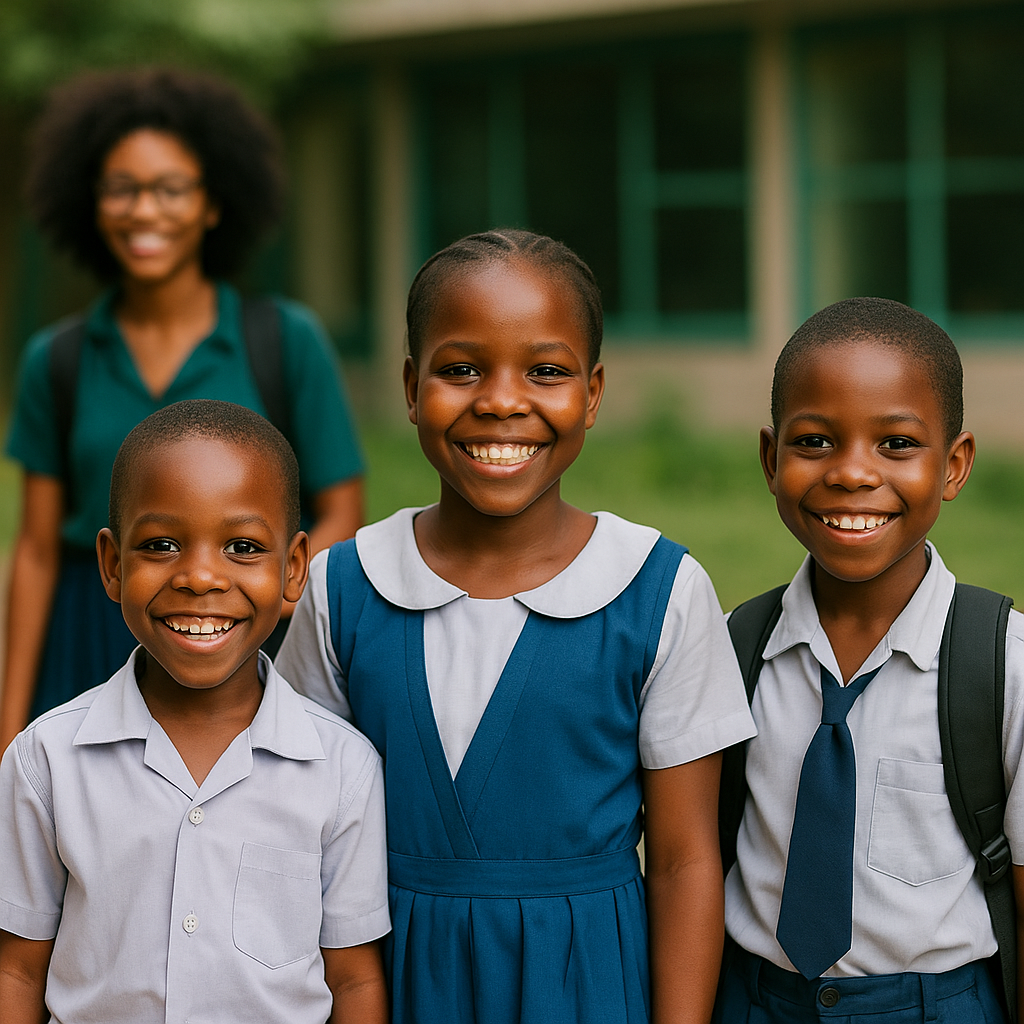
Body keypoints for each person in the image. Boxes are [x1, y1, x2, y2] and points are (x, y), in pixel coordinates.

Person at [276, 228, 757, 1024]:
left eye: (545, 371)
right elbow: (302, 838)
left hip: (591, 985)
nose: (501, 399)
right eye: (461, 369)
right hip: (389, 982)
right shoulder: (343, 586)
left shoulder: (658, 589)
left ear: (593, 393)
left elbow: (682, 862)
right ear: (410, 385)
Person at [1, 67, 365, 753]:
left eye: (170, 189)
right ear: (92, 201)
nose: (145, 211)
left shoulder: (284, 341)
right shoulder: (58, 358)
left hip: (235, 633)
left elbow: (340, 510)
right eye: (122, 189)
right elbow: (37, 549)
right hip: (91, 627)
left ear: (213, 204)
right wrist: (8, 720)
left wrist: (255, 601)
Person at [0, 399, 389, 1024]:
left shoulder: (343, 770)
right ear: (110, 563)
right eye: (160, 545)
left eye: (241, 546)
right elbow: (17, 967)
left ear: (294, 569)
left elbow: (354, 980)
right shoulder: (45, 762)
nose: (200, 577)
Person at [713, 297, 1024, 1023]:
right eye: (816, 442)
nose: (853, 474)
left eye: (896, 445)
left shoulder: (1003, 664)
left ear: (955, 464)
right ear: (770, 458)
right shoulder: (730, 648)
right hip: (756, 1000)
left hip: (937, 1005)